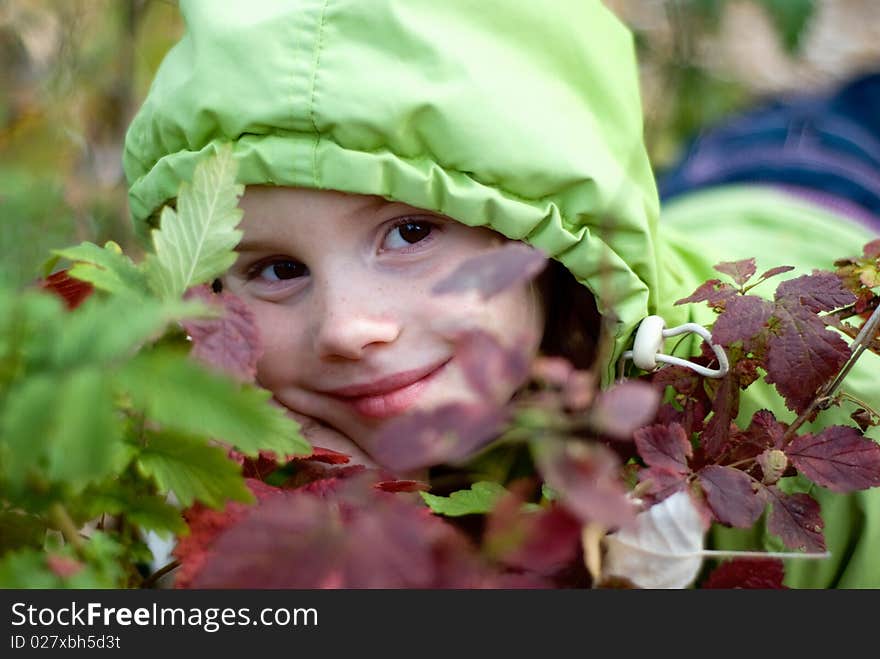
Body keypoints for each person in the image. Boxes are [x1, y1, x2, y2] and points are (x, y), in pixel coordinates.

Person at [122, 0, 880, 587]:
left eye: (411, 232)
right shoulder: (214, 454)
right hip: (700, 199)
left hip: (827, 187)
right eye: (277, 269)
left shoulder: (775, 409)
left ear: (545, 237)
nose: (348, 328)